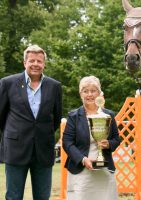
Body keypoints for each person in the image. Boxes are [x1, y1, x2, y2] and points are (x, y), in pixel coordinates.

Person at [0, 44, 62, 200]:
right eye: (32, 60)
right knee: (13, 196)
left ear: (44, 64)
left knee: (42, 196)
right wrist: (12, 134)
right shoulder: (7, 83)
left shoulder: (54, 86)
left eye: (39, 61)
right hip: (15, 149)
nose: (35, 64)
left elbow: (56, 118)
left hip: (43, 149)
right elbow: (1, 116)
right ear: (24, 63)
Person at [62, 76, 121, 200]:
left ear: (99, 93)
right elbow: (67, 142)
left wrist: (108, 144)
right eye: (85, 91)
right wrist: (82, 159)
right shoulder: (73, 116)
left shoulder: (108, 115)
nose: (89, 94)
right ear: (80, 94)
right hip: (80, 170)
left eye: (93, 90)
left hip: (104, 171)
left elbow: (116, 139)